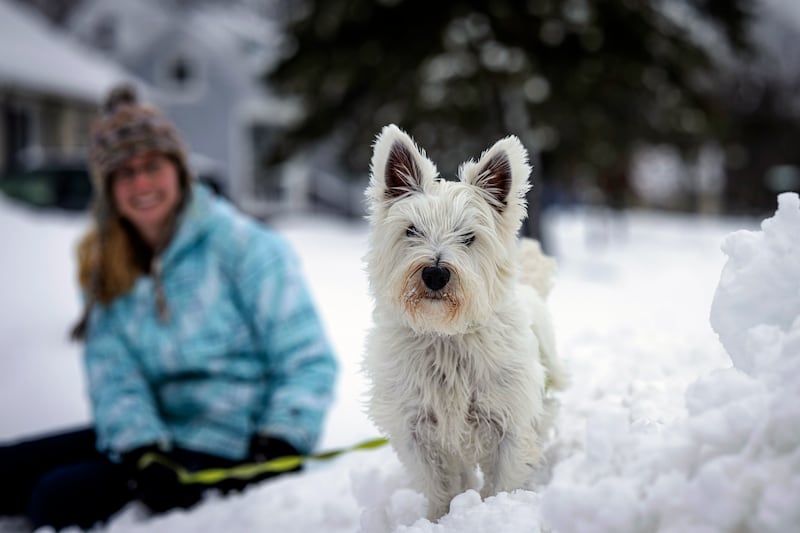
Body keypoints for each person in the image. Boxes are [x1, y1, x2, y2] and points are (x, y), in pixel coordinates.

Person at [0, 84, 338, 531]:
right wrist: (141, 449)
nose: (141, 184)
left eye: (152, 166)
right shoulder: (106, 264)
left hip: (234, 440)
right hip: (156, 437)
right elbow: (114, 374)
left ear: (179, 170)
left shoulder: (245, 247)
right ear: (107, 186)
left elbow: (307, 359)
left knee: (54, 499)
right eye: (125, 173)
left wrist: (281, 442)